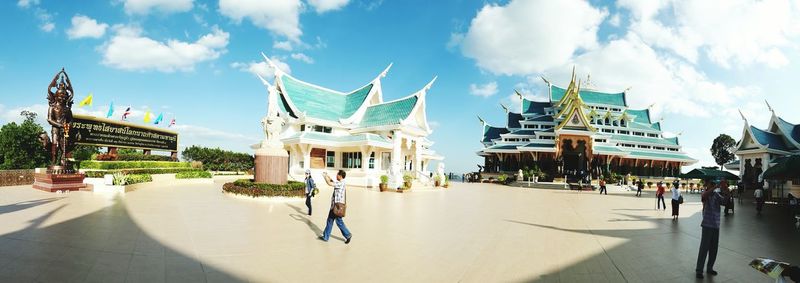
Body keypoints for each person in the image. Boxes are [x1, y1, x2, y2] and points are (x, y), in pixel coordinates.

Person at [696, 180, 729, 279]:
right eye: (712, 184)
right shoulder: (705, 193)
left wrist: (726, 191)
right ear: (707, 185)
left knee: (714, 249)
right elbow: (704, 196)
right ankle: (699, 270)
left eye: (714, 184)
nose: (713, 185)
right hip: (707, 225)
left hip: (716, 225)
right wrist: (715, 187)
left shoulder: (716, 195)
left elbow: (724, 202)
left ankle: (710, 268)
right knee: (704, 248)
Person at [319, 170, 352, 244]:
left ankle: (348, 235)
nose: (336, 176)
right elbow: (332, 180)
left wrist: (324, 176)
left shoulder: (340, 183)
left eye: (337, 175)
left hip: (337, 207)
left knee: (339, 222)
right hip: (334, 206)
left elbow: (329, 183)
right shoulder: (341, 182)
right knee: (330, 221)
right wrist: (327, 175)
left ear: (340, 176)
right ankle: (326, 236)